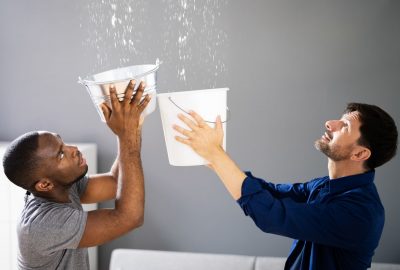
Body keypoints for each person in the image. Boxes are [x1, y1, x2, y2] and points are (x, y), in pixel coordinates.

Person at [173, 102, 398, 270]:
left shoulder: (360, 213)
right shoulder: (325, 186)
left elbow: (272, 215)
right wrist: (216, 159)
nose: (330, 123)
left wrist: (218, 156)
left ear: (360, 153)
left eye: (345, 126)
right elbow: (274, 194)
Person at [2, 80, 150, 270]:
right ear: (44, 185)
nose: (73, 150)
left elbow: (115, 183)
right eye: (61, 154)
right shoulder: (42, 226)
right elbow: (130, 218)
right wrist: (126, 134)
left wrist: (132, 125)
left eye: (63, 143)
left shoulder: (62, 186)